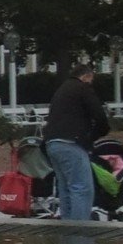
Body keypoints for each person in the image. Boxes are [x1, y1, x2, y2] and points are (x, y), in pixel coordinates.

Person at [42, 64, 109, 222]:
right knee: (81, 189)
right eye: (91, 79)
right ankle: (80, 230)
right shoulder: (83, 89)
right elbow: (99, 116)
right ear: (86, 76)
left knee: (65, 188)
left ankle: (67, 227)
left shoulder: (61, 90)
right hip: (72, 143)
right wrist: (94, 135)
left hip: (52, 143)